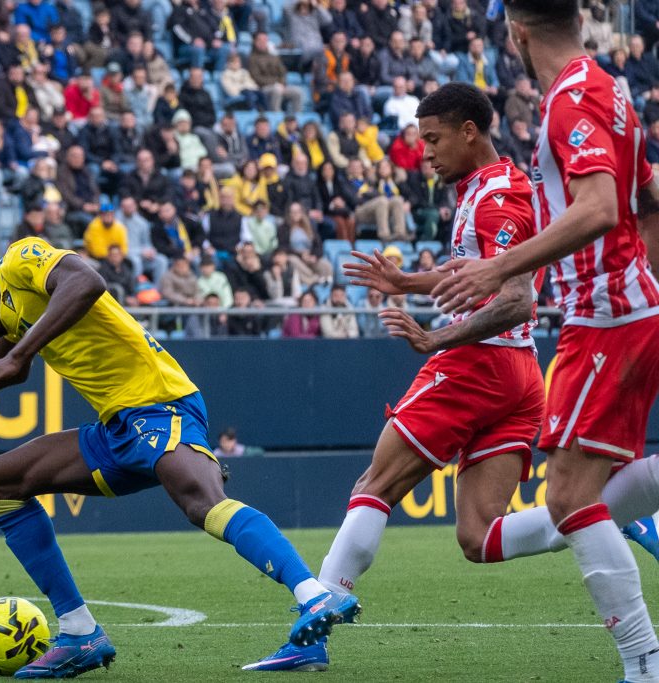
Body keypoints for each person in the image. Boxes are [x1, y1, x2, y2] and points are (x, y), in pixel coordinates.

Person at [0, 236, 357, 677]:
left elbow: (86, 282)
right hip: (117, 427)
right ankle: (80, 631)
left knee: (201, 502)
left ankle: (314, 596)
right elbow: (7, 366)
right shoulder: (10, 315)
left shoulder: (20, 259)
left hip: (160, 404)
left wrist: (19, 354)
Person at [431, 5, 659, 681]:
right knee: (587, 490)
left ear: (517, 32)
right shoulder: (611, 89)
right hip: (626, 307)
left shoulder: (570, 100)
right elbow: (649, 197)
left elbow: (599, 208)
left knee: (569, 499)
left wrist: (499, 266)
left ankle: (644, 663)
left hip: (607, 316)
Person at [288, 82, 545, 670]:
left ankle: (314, 630)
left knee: (374, 485)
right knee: (479, 536)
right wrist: (408, 283)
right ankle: (606, 514)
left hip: (478, 363)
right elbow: (475, 275)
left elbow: (516, 299)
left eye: (432, 139)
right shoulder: (485, 186)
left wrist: (436, 339)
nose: (424, 153)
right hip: (521, 371)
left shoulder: (496, 198)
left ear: (469, 132)